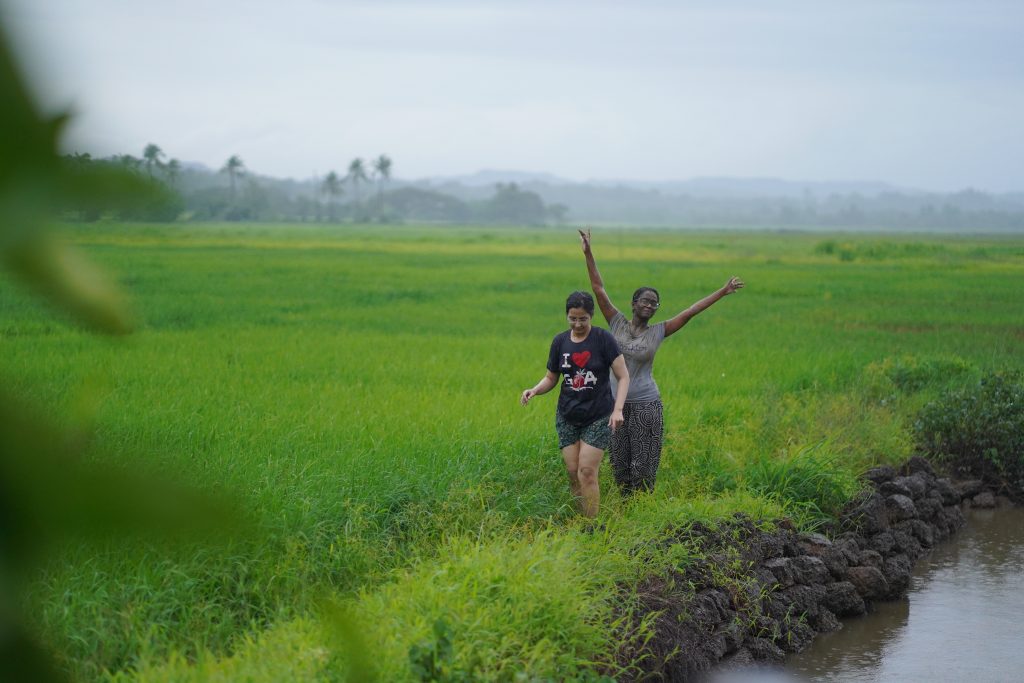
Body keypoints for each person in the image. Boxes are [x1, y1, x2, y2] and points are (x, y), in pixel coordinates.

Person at [578, 228, 744, 495]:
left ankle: (643, 512)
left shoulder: (659, 331)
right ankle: (625, 512)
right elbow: (598, 288)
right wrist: (588, 252)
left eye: (655, 303)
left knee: (643, 466)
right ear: (633, 303)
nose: (650, 306)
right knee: (619, 465)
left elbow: (691, 311)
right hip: (616, 406)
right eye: (645, 301)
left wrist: (722, 292)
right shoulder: (616, 322)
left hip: (646, 405)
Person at [521, 291, 630, 518]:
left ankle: (592, 527)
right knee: (573, 472)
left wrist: (618, 410)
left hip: (598, 415)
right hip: (568, 415)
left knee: (587, 471)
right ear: (567, 316)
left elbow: (623, 376)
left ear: (591, 316)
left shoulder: (603, 339)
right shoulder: (560, 342)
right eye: (573, 319)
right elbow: (552, 377)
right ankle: (581, 518)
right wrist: (534, 390)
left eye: (583, 319)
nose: (578, 324)